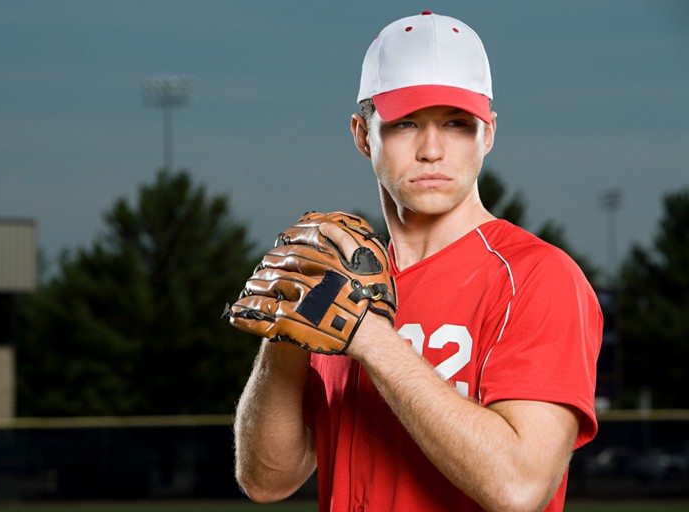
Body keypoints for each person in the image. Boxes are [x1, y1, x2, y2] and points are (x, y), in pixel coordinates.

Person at [233, 10, 602, 512]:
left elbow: (519, 488)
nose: (432, 150)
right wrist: (287, 330)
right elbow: (266, 482)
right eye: (406, 123)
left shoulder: (538, 278)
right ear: (363, 134)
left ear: (488, 134)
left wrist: (372, 340)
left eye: (456, 124)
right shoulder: (340, 279)